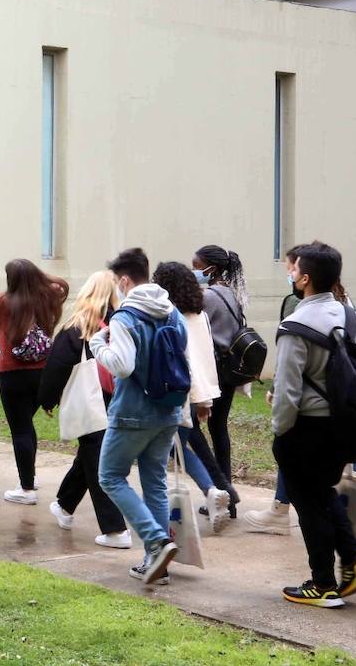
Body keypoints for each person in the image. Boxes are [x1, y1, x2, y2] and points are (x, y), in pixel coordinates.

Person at [272, 242, 356, 608]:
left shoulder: (295, 325)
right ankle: (353, 559)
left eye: (293, 270)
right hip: (344, 426)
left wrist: (280, 432)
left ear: (304, 279)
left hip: (305, 427)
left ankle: (322, 584)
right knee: (321, 493)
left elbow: (286, 391)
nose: (290, 275)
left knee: (309, 505)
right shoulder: (354, 319)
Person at [89, 247, 182, 586]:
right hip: (168, 410)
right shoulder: (172, 312)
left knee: (110, 476)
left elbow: (123, 365)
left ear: (125, 280)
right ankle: (157, 563)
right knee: (154, 483)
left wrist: (99, 345)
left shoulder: (125, 318)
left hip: (131, 412)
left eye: (117, 283)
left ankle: (156, 542)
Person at [37, 270, 131, 548]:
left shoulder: (78, 326)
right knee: (90, 453)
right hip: (118, 400)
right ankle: (65, 506)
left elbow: (56, 367)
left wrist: (48, 400)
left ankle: (115, 531)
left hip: (90, 401)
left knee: (96, 460)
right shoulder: (123, 323)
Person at [153, 261, 234, 534]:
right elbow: (205, 359)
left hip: (173, 390)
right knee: (179, 449)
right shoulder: (200, 316)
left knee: (162, 455)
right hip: (196, 391)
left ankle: (203, 495)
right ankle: (213, 491)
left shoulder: (168, 316)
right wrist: (205, 399)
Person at [0, 258, 69, 505]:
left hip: (12, 374)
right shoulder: (48, 299)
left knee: (20, 428)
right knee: (27, 425)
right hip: (43, 372)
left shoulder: (4, 301)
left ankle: (26, 488)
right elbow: (62, 288)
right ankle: (29, 477)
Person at [191, 244, 248, 516]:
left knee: (192, 427)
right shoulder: (231, 294)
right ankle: (228, 496)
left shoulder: (209, 297)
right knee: (218, 429)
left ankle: (221, 490)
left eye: (197, 266)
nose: (194, 271)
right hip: (229, 372)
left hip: (211, 372)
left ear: (210, 268)